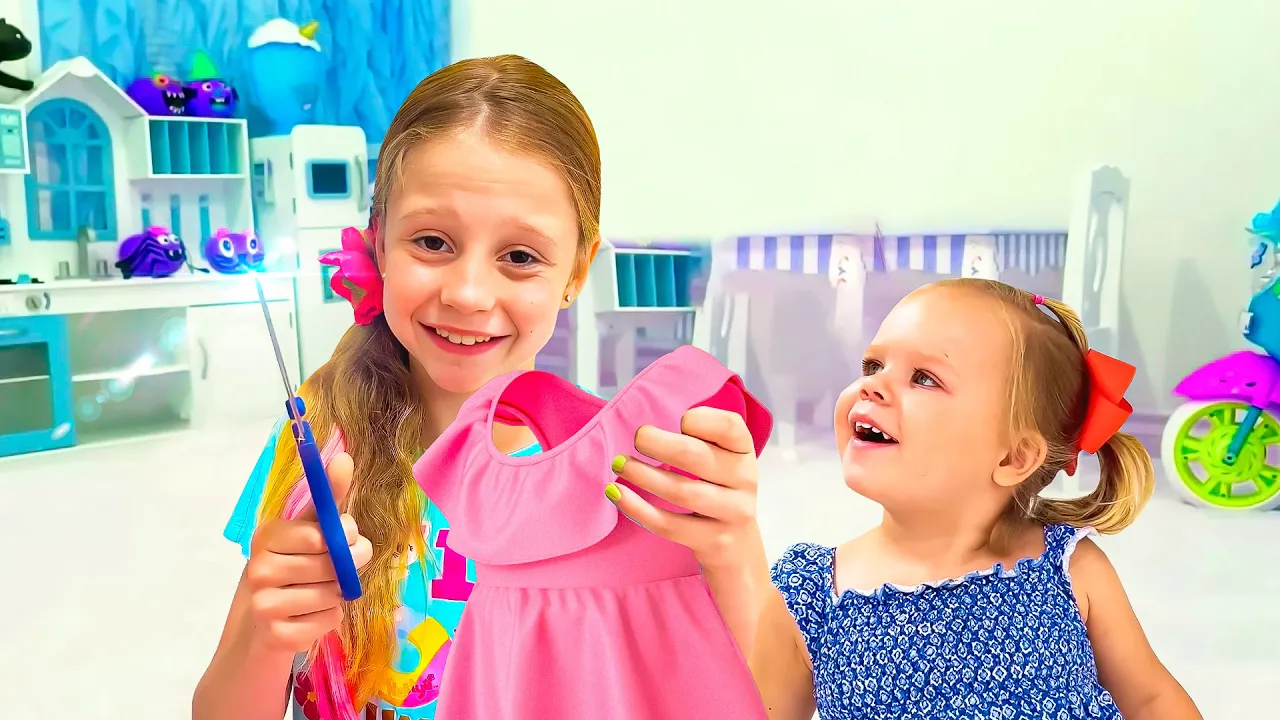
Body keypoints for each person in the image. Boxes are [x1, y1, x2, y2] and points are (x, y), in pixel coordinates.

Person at [192, 55, 765, 720]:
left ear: (577, 272)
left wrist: (736, 561)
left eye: (520, 256)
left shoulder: (625, 481)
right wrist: (264, 631)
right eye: (433, 242)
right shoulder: (317, 442)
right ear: (379, 244)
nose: (467, 294)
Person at [747, 279, 1203, 720]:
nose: (871, 385)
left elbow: (1151, 700)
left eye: (924, 378)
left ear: (1013, 457)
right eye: (873, 366)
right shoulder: (809, 594)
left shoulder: (1069, 569)